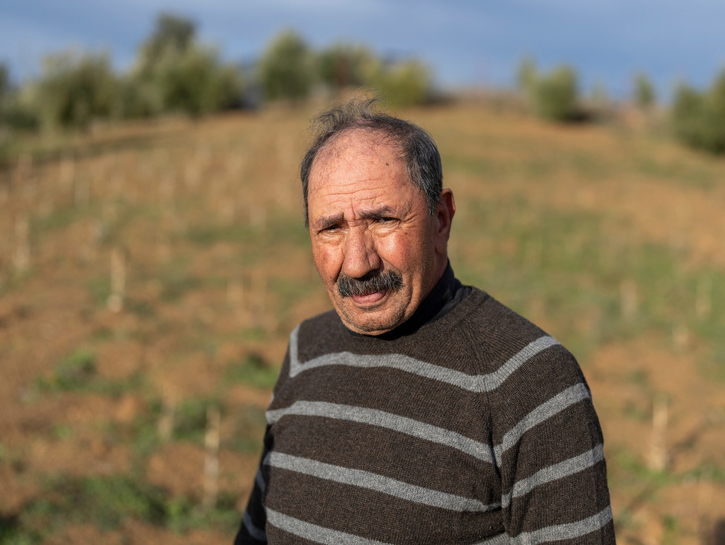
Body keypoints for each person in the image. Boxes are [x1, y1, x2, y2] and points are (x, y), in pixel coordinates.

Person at [234, 98, 614, 544]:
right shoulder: (306, 349)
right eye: (331, 228)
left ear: (441, 219)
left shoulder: (531, 382)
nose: (358, 264)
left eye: (382, 220)